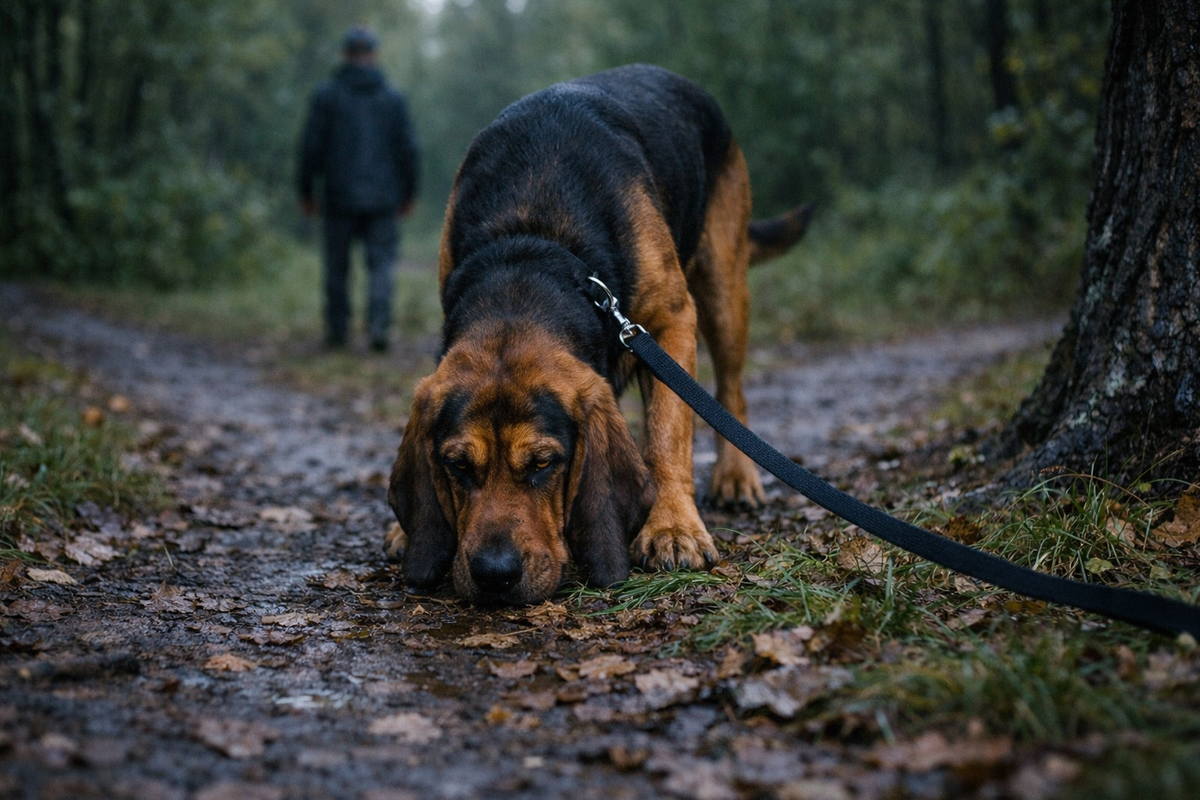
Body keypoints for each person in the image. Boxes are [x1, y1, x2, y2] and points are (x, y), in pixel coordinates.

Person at [298, 25, 420, 352]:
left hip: (338, 197)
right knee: (380, 264)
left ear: (346, 55)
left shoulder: (327, 95)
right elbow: (409, 149)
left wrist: (306, 191)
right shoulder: (391, 97)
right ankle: (378, 326)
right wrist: (408, 194)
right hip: (382, 199)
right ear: (374, 56)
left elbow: (311, 146)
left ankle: (338, 333)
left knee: (337, 267)